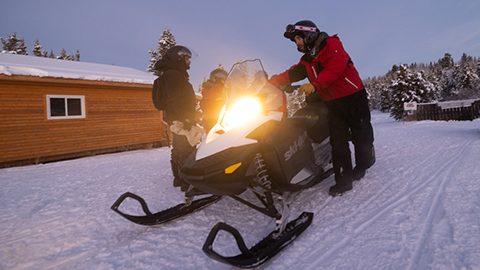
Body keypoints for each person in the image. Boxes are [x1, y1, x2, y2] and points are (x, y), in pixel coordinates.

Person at [269, 20, 375, 196]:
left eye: (298, 39)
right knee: (338, 141)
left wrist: (315, 85)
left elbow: (336, 68)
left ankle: (365, 162)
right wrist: (267, 83)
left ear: (308, 34)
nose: (297, 43)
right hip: (332, 103)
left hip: (353, 97)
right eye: (295, 41)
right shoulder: (307, 60)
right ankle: (344, 180)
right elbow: (291, 74)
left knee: (360, 134)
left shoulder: (332, 45)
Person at [153, 45, 203, 193]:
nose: (189, 61)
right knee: (186, 149)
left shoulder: (172, 74)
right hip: (181, 119)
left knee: (179, 148)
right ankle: (188, 183)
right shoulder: (175, 75)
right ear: (178, 58)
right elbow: (175, 100)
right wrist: (187, 118)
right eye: (187, 58)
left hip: (176, 119)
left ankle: (179, 179)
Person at [199, 67, 228, 132]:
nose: (220, 79)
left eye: (222, 77)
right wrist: (217, 96)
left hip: (226, 115)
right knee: (212, 130)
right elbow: (207, 95)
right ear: (213, 77)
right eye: (217, 76)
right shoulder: (208, 86)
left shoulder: (227, 87)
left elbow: (234, 95)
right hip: (212, 116)